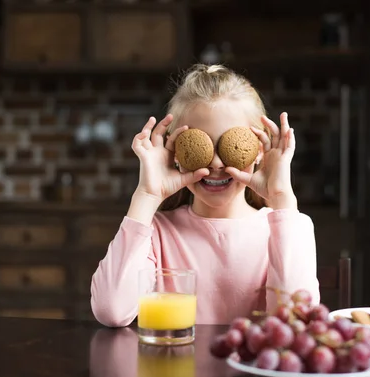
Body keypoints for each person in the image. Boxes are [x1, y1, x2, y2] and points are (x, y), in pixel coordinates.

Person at [91, 63, 320, 327]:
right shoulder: (154, 234)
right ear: (175, 152)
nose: (215, 163)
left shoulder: (288, 228)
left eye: (230, 144)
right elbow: (111, 311)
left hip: (252, 368)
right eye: (200, 144)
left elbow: (295, 324)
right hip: (174, 366)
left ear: (259, 150)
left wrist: (282, 198)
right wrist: (147, 195)